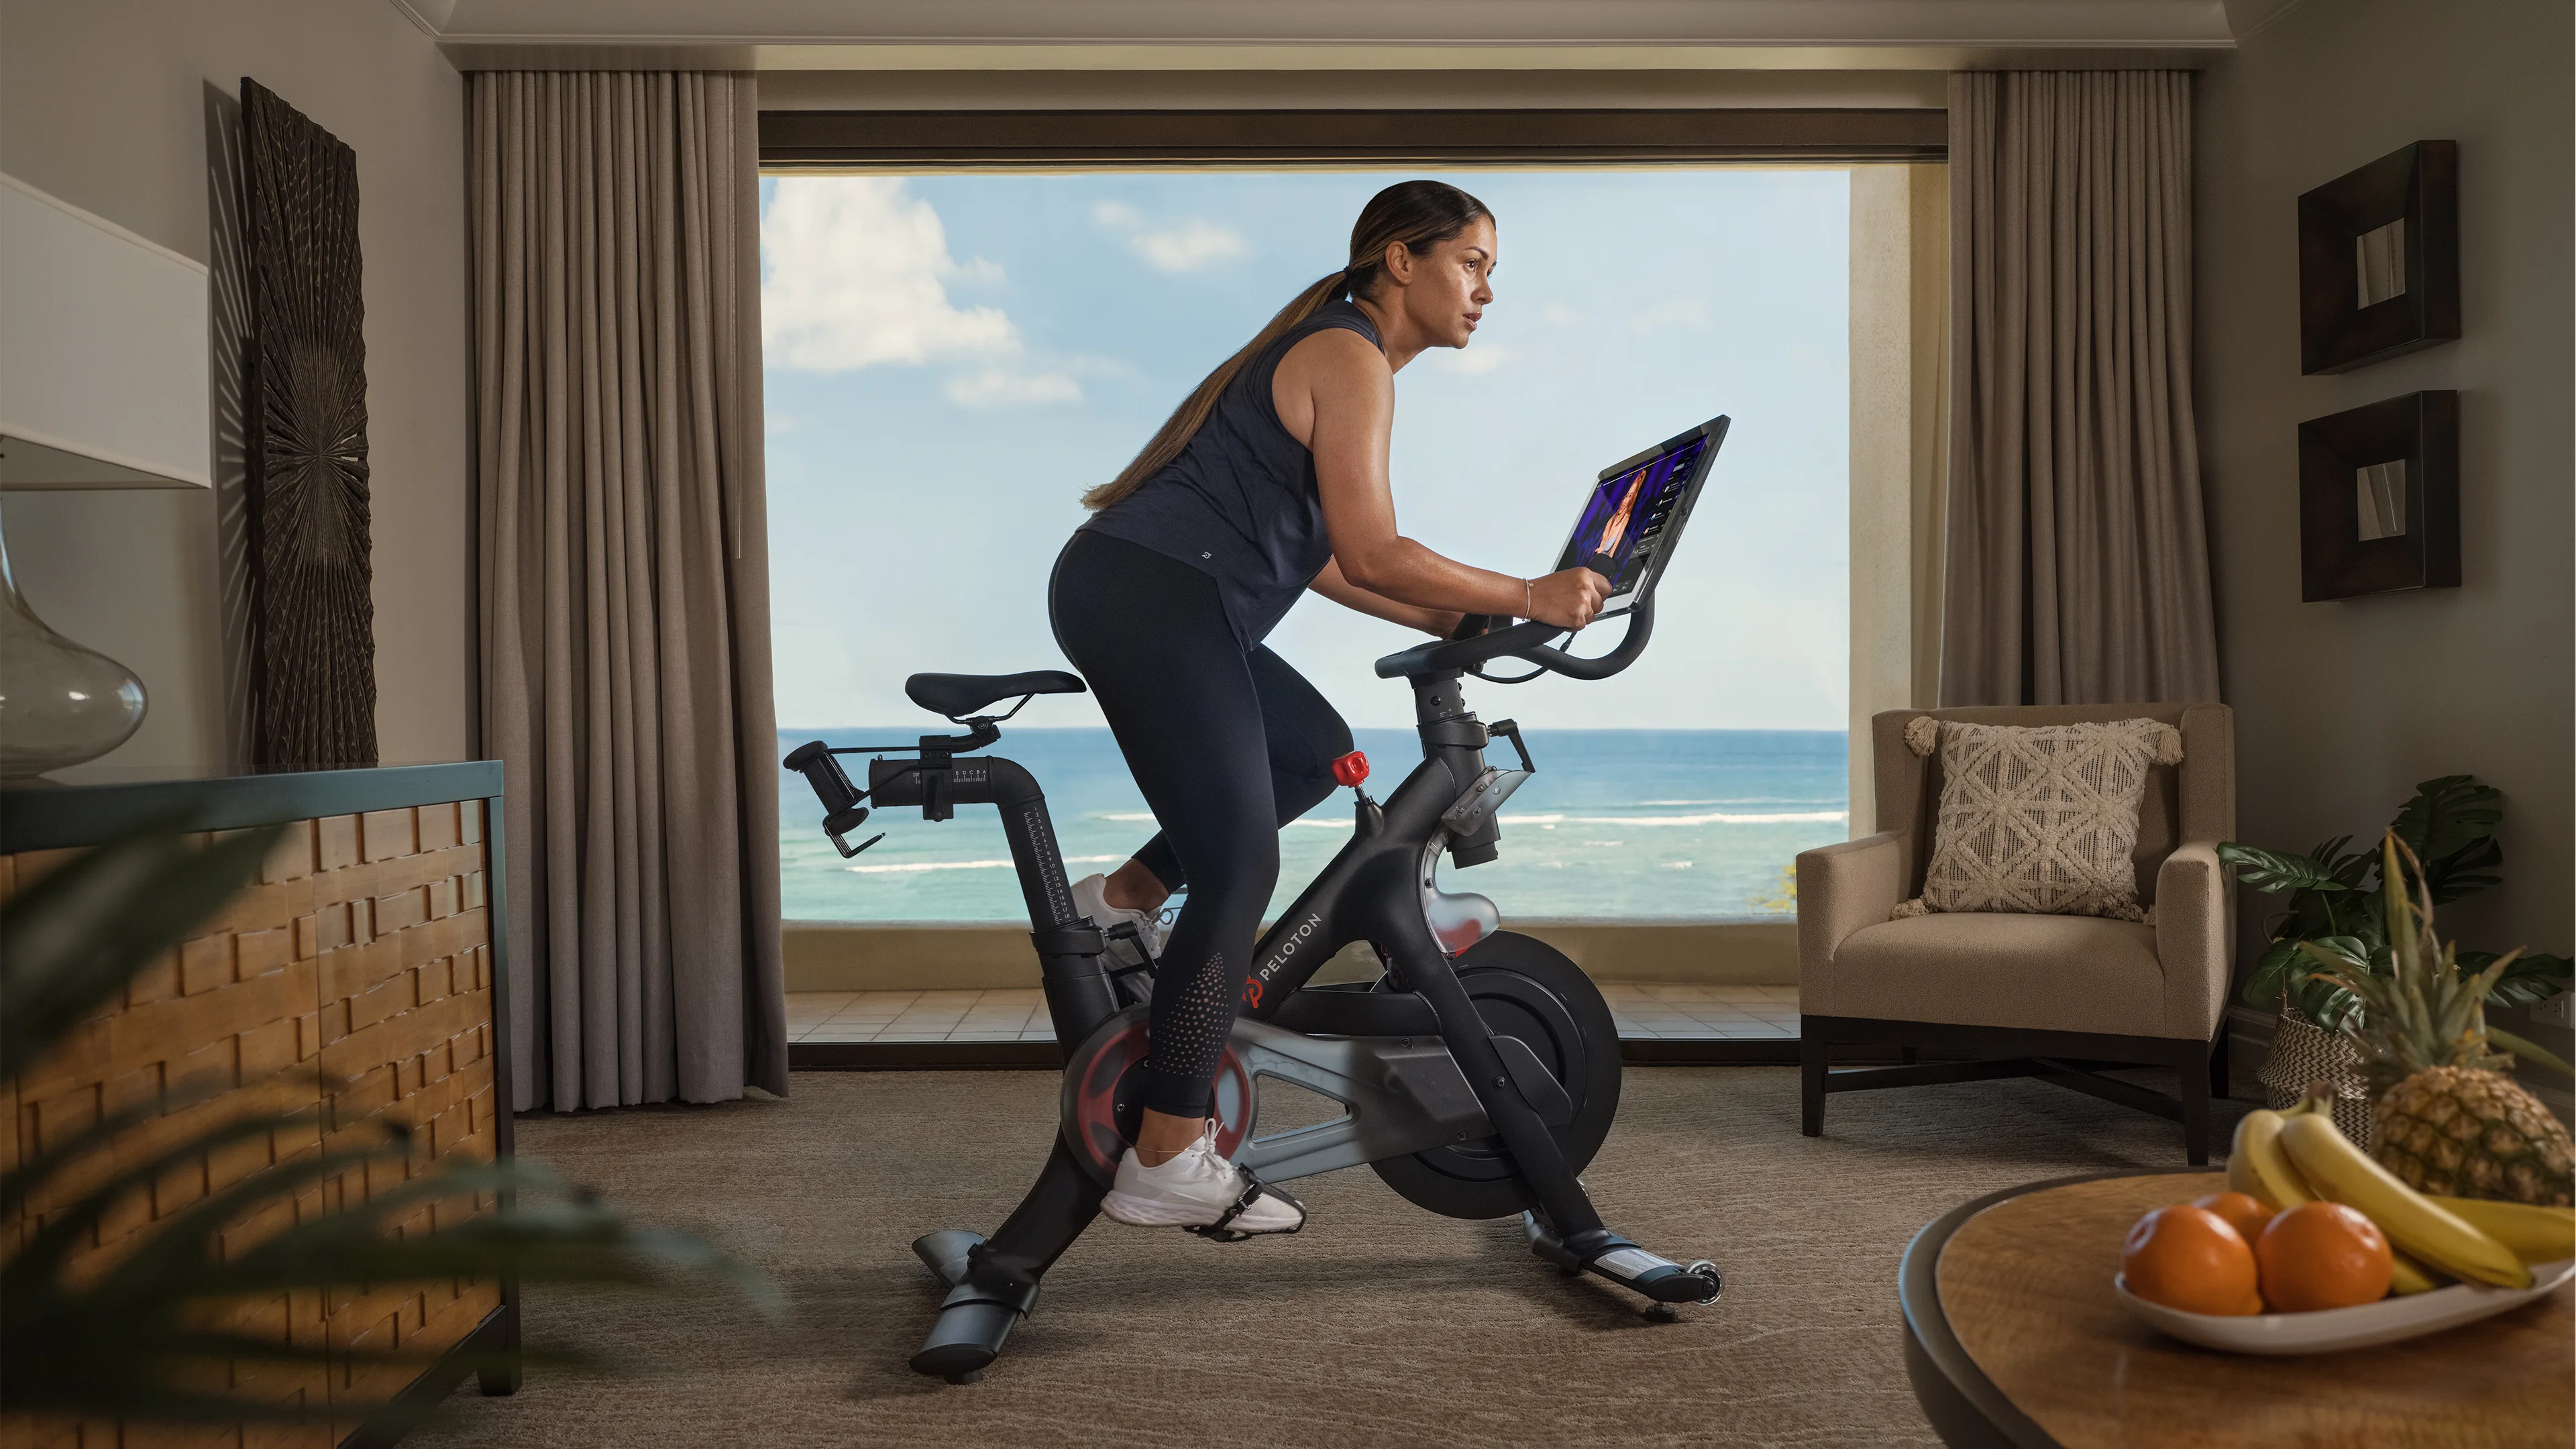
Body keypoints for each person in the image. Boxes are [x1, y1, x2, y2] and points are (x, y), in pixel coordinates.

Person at [1048, 179, 1613, 1236]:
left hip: (1148, 592)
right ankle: (1167, 1150)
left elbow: (1329, 568)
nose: (1487, 290)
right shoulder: (1348, 355)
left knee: (1311, 753)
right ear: (1402, 259)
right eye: (1474, 263)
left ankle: (1116, 902)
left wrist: (1454, 621)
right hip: (1153, 595)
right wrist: (1531, 595)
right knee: (1240, 864)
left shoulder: (1341, 353)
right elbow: (1374, 548)